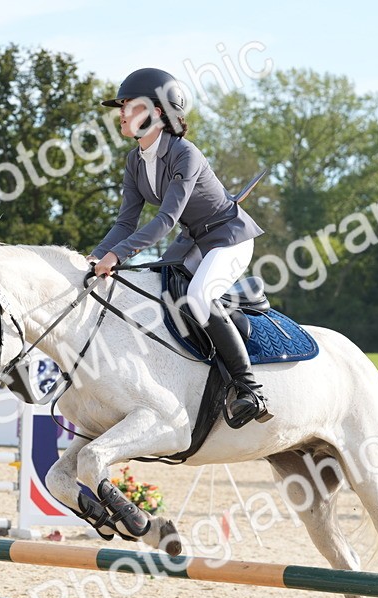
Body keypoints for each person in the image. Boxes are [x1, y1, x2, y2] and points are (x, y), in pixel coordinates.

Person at [89, 67, 269, 428]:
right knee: (156, 289)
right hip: (193, 239)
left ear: (156, 112)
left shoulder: (185, 154)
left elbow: (165, 220)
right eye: (121, 106)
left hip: (229, 237)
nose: (121, 113)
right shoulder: (134, 161)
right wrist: (95, 255)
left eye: (129, 105)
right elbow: (125, 223)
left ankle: (250, 389)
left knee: (199, 297)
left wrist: (117, 255)